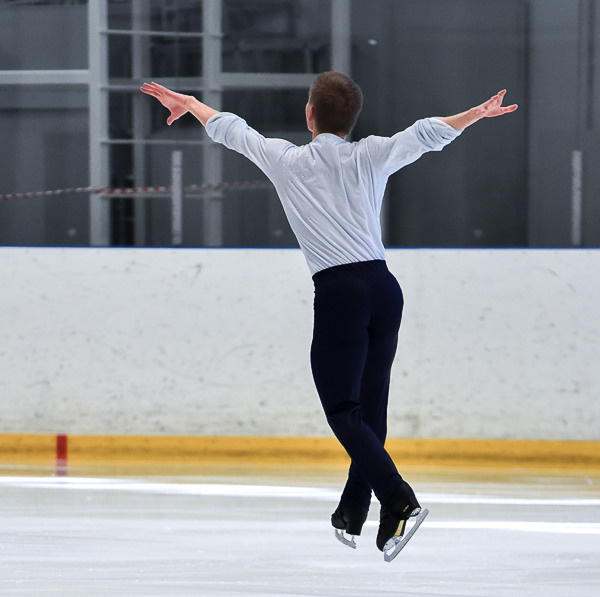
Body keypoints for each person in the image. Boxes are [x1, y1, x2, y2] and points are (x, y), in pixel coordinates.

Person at [141, 73, 517, 559]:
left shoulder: (287, 160)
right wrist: (473, 114)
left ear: (309, 114)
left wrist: (190, 102)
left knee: (343, 410)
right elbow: (425, 134)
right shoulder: (371, 154)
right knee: (369, 407)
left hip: (341, 293)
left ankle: (399, 500)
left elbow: (232, 130)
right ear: (351, 120)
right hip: (385, 289)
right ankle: (354, 509)